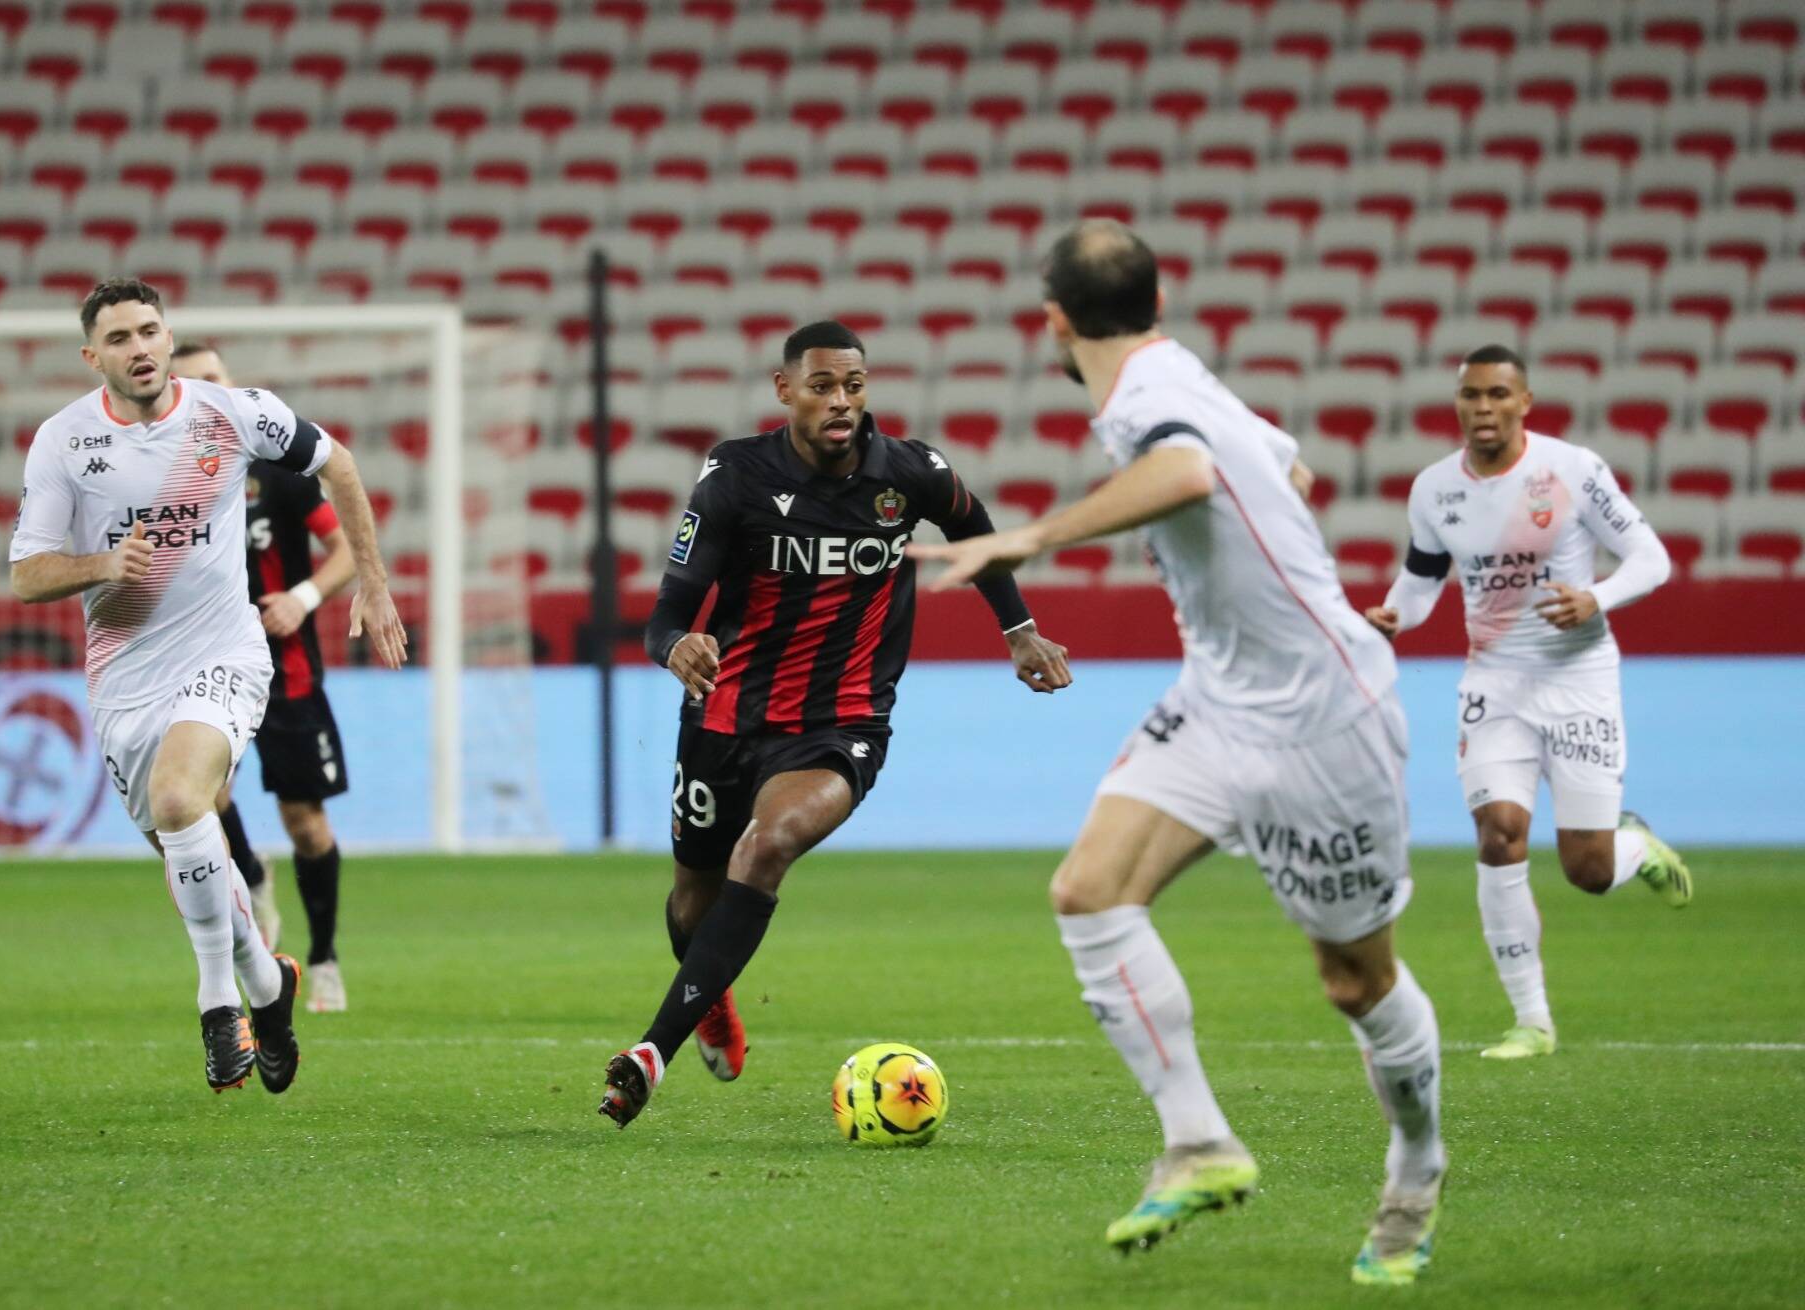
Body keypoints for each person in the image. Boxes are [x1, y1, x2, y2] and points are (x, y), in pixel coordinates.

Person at [911, 220, 1443, 1287]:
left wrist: (1024, 538)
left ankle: (1414, 1169)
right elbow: (1290, 468)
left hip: (1320, 722)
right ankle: (1198, 1142)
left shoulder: (1156, 404)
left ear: (1052, 322)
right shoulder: (1172, 372)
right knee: (1089, 889)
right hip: (1217, 701)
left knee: (1353, 977)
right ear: (1153, 302)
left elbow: (1193, 471)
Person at [597, 320, 1074, 1129]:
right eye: (822, 386)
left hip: (841, 721)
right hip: (725, 715)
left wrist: (1017, 626)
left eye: (853, 385)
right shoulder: (732, 476)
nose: (841, 401)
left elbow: (974, 529)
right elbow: (665, 617)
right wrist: (677, 647)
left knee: (771, 843)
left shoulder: (910, 472)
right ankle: (712, 998)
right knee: (691, 902)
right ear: (785, 392)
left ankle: (651, 1052)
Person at [9, 279, 404, 1093]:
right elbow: (26, 575)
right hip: (124, 674)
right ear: (94, 357)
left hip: (225, 651)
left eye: (149, 330)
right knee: (183, 843)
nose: (140, 347)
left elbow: (341, 465)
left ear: (168, 334)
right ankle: (269, 982)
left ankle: (220, 1001)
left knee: (185, 801)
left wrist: (372, 581)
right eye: (119, 338)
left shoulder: (231, 412)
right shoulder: (62, 441)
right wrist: (101, 565)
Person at [1364, 345, 1689, 1062]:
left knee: (1589, 871)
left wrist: (1594, 598)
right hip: (1494, 685)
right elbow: (1419, 583)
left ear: (1524, 403)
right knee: (1499, 833)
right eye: (1471, 395)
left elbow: (1652, 558)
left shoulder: (1572, 471)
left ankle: (1637, 848)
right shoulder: (1434, 490)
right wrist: (1393, 615)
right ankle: (1532, 1022)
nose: (1483, 408)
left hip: (1580, 684)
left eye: (1497, 395)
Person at [172, 341, 357, 1014]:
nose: (209, 392)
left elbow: (343, 554)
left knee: (306, 823)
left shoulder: (278, 470)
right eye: (193, 384)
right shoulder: (167, 481)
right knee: (199, 789)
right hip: (204, 662)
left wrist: (301, 599)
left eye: (216, 379)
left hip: (288, 669)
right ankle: (249, 874)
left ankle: (325, 957)